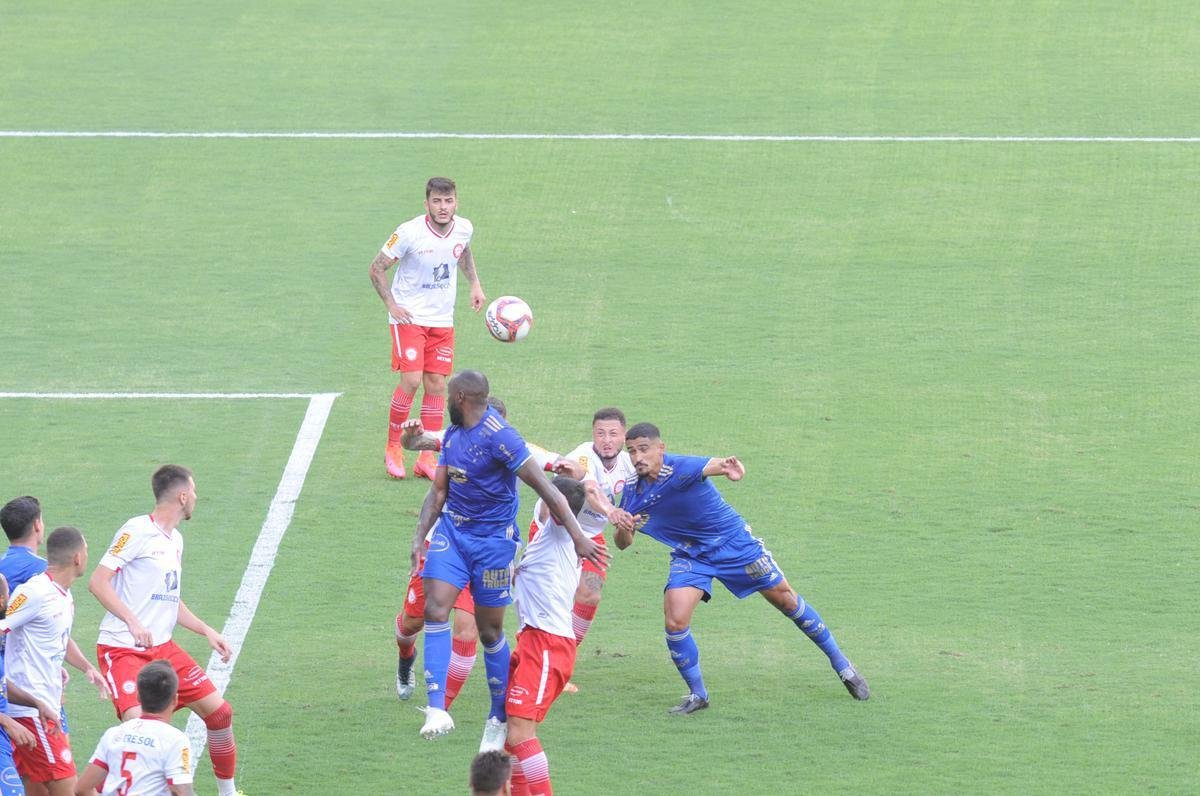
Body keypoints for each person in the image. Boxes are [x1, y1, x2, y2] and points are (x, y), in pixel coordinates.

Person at [612, 423, 870, 715]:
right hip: (691, 555)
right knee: (675, 620)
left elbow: (713, 465)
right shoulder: (633, 491)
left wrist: (730, 468)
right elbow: (623, 543)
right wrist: (623, 527)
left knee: (786, 600)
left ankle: (842, 665)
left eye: (643, 449)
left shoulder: (681, 467)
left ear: (661, 448)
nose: (637, 457)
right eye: (631, 451)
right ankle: (698, 695)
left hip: (734, 545)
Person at [409, 370, 606, 750]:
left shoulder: (503, 439)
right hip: (454, 533)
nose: (446, 399)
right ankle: (437, 708)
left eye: (450, 394)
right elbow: (437, 493)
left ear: (462, 397)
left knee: (490, 631)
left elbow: (550, 491)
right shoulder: (454, 434)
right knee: (437, 609)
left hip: (494, 544)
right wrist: (419, 537)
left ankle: (498, 713)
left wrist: (580, 538)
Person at [394, 397, 564, 706]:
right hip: (445, 544)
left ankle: (442, 706)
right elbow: (414, 442)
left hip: (488, 550)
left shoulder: (516, 448)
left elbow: (562, 468)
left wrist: (577, 477)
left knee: (469, 630)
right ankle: (406, 657)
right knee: (411, 622)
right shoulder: (456, 436)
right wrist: (409, 433)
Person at [88, 465, 241, 796]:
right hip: (122, 649)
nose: (197, 498)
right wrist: (132, 621)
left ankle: (228, 793)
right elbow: (98, 582)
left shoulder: (176, 541)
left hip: (162, 649)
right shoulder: (136, 530)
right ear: (182, 496)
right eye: (195, 491)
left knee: (220, 714)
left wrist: (205, 630)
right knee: (138, 732)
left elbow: (168, 600)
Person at [369, 176, 488, 481]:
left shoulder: (464, 227)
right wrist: (392, 306)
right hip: (409, 318)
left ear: (456, 202)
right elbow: (377, 267)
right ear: (427, 204)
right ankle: (393, 446)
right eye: (437, 201)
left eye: (448, 201)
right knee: (410, 380)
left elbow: (462, 251)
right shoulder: (409, 232)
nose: (443, 207)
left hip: (441, 319)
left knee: (436, 384)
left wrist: (474, 283)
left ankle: (426, 456)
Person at [504, 477, 593, 796]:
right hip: (534, 642)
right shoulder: (552, 537)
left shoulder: (558, 532)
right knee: (513, 735)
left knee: (520, 733)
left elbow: (556, 505)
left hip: (546, 645)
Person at [1, 527, 106, 796]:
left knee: (38, 790)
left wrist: (86, 667)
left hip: (42, 706)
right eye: (86, 551)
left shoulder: (63, 595)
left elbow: (60, 639)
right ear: (77, 558)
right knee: (71, 788)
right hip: (32, 713)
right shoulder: (34, 592)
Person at [531, 408, 636, 656]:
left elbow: (624, 543)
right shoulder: (583, 456)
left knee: (590, 594)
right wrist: (611, 512)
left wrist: (626, 526)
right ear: (593, 435)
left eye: (613, 434)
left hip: (590, 534)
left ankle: (562, 656)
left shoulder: (630, 467)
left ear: (624, 436)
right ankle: (535, 655)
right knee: (553, 597)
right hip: (555, 529)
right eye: (600, 433)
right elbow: (590, 489)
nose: (606, 440)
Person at [75, 660, 195, 796]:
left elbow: (82, 788)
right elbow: (181, 791)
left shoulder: (114, 734)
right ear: (175, 699)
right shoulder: (176, 740)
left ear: (138, 697)